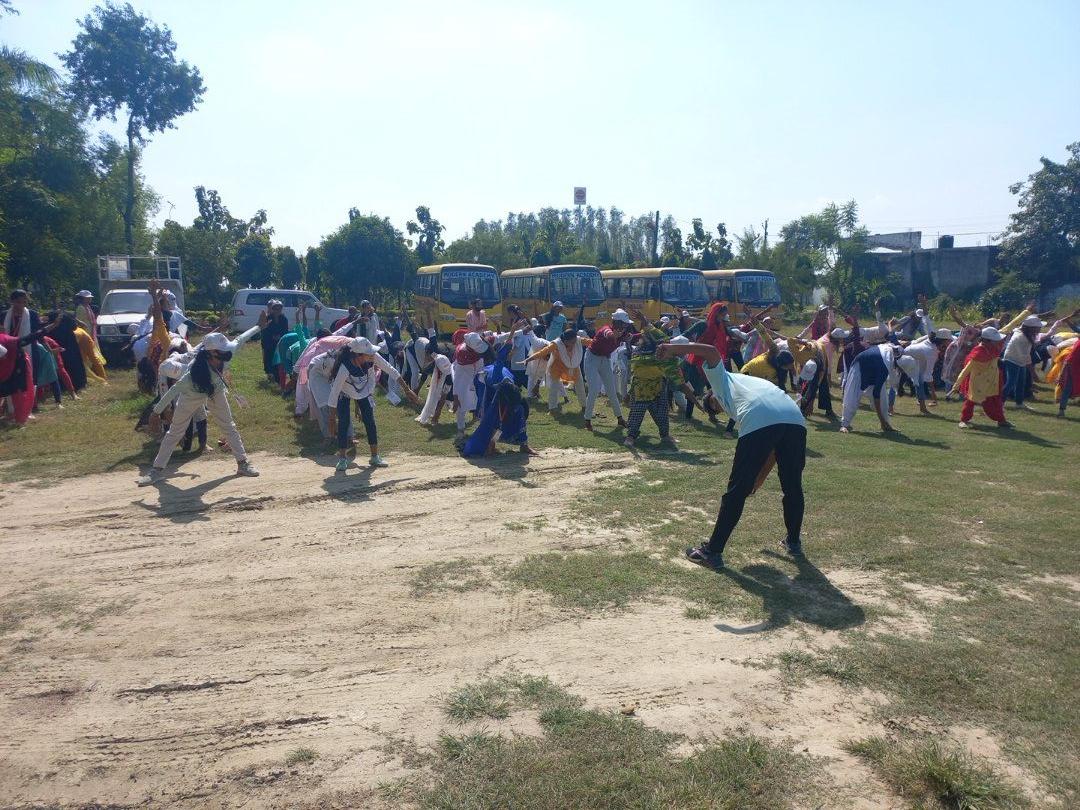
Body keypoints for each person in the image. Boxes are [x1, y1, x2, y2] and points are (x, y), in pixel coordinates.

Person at [658, 340, 808, 569]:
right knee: (792, 486)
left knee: (736, 491)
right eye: (715, 410)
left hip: (764, 415)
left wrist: (673, 349)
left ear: (711, 394)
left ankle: (712, 552)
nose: (717, 407)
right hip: (794, 418)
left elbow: (710, 350)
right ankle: (793, 542)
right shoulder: (748, 385)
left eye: (713, 404)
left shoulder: (722, 381)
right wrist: (758, 479)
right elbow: (773, 449)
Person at [138, 326, 263, 485]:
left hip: (215, 392)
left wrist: (259, 326)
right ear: (211, 352)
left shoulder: (225, 353)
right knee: (175, 432)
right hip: (191, 397)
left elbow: (240, 338)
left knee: (229, 426)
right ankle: (156, 471)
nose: (227, 352)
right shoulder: (192, 373)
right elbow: (174, 390)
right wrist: (155, 412)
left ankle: (243, 464)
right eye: (222, 350)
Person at [329, 336, 419, 471]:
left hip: (364, 391)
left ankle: (374, 456)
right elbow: (334, 393)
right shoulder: (344, 368)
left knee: (370, 421)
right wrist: (331, 419)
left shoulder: (372, 357)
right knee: (343, 422)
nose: (372, 354)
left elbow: (390, 369)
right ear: (358, 355)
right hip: (344, 392)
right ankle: (342, 459)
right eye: (369, 352)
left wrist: (407, 390)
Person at [462, 340, 536, 456]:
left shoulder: (505, 369)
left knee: (519, 412)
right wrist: (509, 342)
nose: (511, 354)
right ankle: (490, 446)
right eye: (509, 353)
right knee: (494, 419)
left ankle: (524, 444)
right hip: (491, 394)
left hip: (509, 394)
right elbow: (500, 360)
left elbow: (501, 361)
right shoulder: (494, 373)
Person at [839, 343, 919, 433]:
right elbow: (876, 395)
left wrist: (900, 386)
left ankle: (886, 424)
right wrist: (881, 420)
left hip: (874, 368)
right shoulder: (884, 368)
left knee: (884, 401)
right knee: (852, 397)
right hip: (860, 367)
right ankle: (844, 425)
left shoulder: (896, 353)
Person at [948, 327, 1011, 429]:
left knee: (995, 402)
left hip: (992, 381)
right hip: (978, 383)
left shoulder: (994, 348)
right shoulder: (978, 353)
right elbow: (966, 370)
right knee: (970, 401)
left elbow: (1009, 327)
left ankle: (1001, 420)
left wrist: (1024, 315)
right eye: (995, 340)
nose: (998, 342)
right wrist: (956, 386)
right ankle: (964, 420)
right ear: (987, 341)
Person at [582, 308, 632, 431]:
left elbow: (630, 337)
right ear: (618, 323)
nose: (626, 326)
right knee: (594, 390)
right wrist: (618, 335)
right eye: (624, 324)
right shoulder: (606, 330)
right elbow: (609, 335)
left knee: (611, 390)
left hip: (604, 359)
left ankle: (620, 418)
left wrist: (630, 337)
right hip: (592, 359)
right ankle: (587, 420)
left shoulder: (621, 333)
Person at [525, 327, 589, 412]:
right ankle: (552, 408)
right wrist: (529, 359)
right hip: (557, 367)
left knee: (580, 385)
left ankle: (584, 406)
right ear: (565, 341)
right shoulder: (556, 344)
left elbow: (591, 342)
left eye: (575, 341)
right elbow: (543, 352)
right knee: (553, 387)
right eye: (572, 342)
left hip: (574, 366)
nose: (574, 344)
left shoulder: (578, 340)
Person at [258, 299, 289, 379]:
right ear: (273, 309)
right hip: (269, 342)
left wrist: (280, 336)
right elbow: (264, 330)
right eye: (276, 308)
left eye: (279, 308)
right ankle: (269, 373)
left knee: (279, 358)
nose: (277, 310)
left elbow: (285, 331)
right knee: (269, 357)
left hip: (280, 342)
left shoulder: (284, 319)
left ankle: (278, 374)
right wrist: (272, 336)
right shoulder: (268, 318)